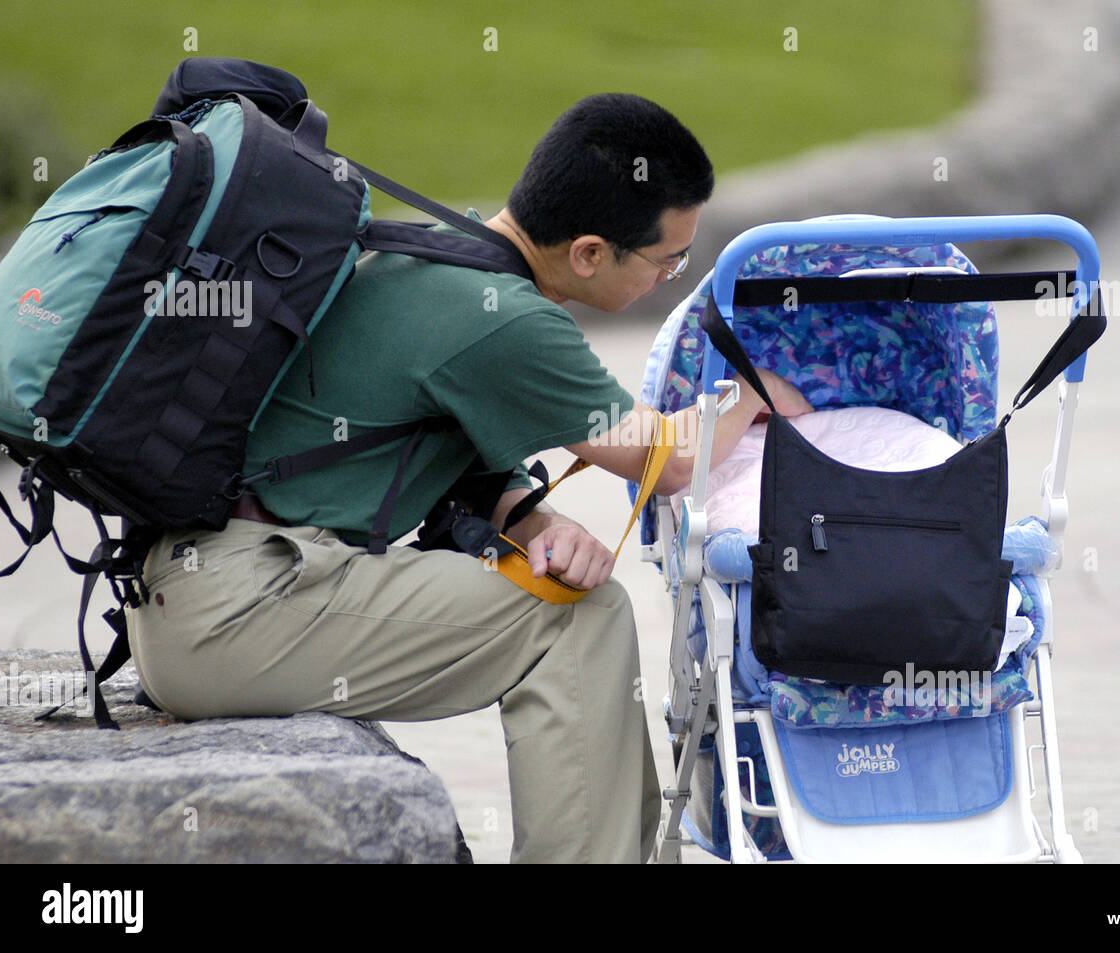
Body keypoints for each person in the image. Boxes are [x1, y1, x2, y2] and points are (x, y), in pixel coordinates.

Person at [125, 92, 810, 863]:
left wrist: (540, 527)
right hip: (239, 618)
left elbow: (457, 461)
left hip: (196, 598)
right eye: (666, 261)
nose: (670, 278)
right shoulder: (507, 319)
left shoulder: (435, 257)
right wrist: (757, 394)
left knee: (572, 601)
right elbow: (670, 458)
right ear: (588, 252)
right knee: (576, 623)